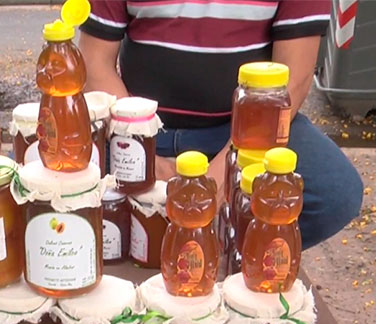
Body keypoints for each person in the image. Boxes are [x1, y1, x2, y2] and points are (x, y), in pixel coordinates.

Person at [80, 0, 363, 249]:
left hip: (244, 129)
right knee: (66, 188)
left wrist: (226, 174)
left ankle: (227, 255)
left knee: (334, 194)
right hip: (139, 129)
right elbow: (94, 63)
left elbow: (293, 82)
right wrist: (141, 158)